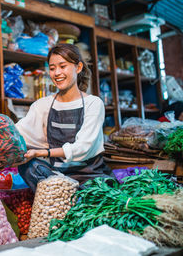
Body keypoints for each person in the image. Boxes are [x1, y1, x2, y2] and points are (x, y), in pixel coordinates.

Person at [16, 44, 114, 192]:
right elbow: (19, 132)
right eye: (52, 68)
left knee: (96, 191)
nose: (57, 73)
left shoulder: (93, 103)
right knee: (28, 167)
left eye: (63, 66)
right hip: (57, 175)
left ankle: (62, 196)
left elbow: (84, 147)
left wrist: (44, 152)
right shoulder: (42, 105)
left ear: (78, 67)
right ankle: (62, 194)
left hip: (90, 177)